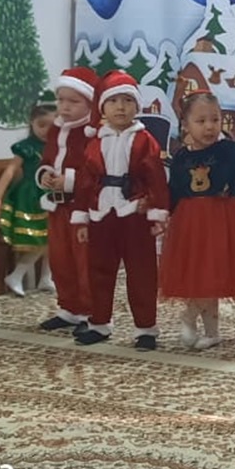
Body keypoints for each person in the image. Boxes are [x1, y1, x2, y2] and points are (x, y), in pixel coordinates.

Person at [158, 90, 235, 349]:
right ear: (185, 124)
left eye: (215, 119)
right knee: (201, 274)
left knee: (214, 274)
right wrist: (162, 215)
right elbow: (174, 191)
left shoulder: (231, 151)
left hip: (222, 222)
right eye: (201, 121)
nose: (209, 126)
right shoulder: (181, 157)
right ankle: (211, 331)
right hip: (189, 224)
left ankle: (191, 318)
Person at [78, 71, 168, 349]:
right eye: (114, 101)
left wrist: (156, 211)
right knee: (99, 270)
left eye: (128, 101)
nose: (121, 107)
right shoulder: (94, 143)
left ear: (137, 106)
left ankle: (146, 329)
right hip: (101, 214)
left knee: (141, 272)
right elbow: (85, 182)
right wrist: (81, 219)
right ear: (103, 108)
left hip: (135, 214)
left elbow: (156, 178)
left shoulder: (144, 140)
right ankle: (99, 323)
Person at [35, 68, 102, 332]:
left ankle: (91, 312)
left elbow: (97, 169)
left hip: (82, 207)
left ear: (90, 104)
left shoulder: (94, 133)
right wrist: (45, 174)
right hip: (57, 205)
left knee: (85, 261)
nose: (64, 107)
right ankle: (69, 308)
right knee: (60, 259)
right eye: (61, 100)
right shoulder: (56, 130)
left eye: (73, 101)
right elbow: (47, 159)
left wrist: (71, 179)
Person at [0, 98, 57, 296]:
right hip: (30, 197)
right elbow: (10, 170)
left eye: (52, 126)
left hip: (52, 195)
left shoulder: (59, 146)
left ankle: (46, 277)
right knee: (42, 238)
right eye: (41, 125)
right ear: (32, 123)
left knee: (54, 237)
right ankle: (17, 274)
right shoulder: (26, 147)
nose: (46, 130)